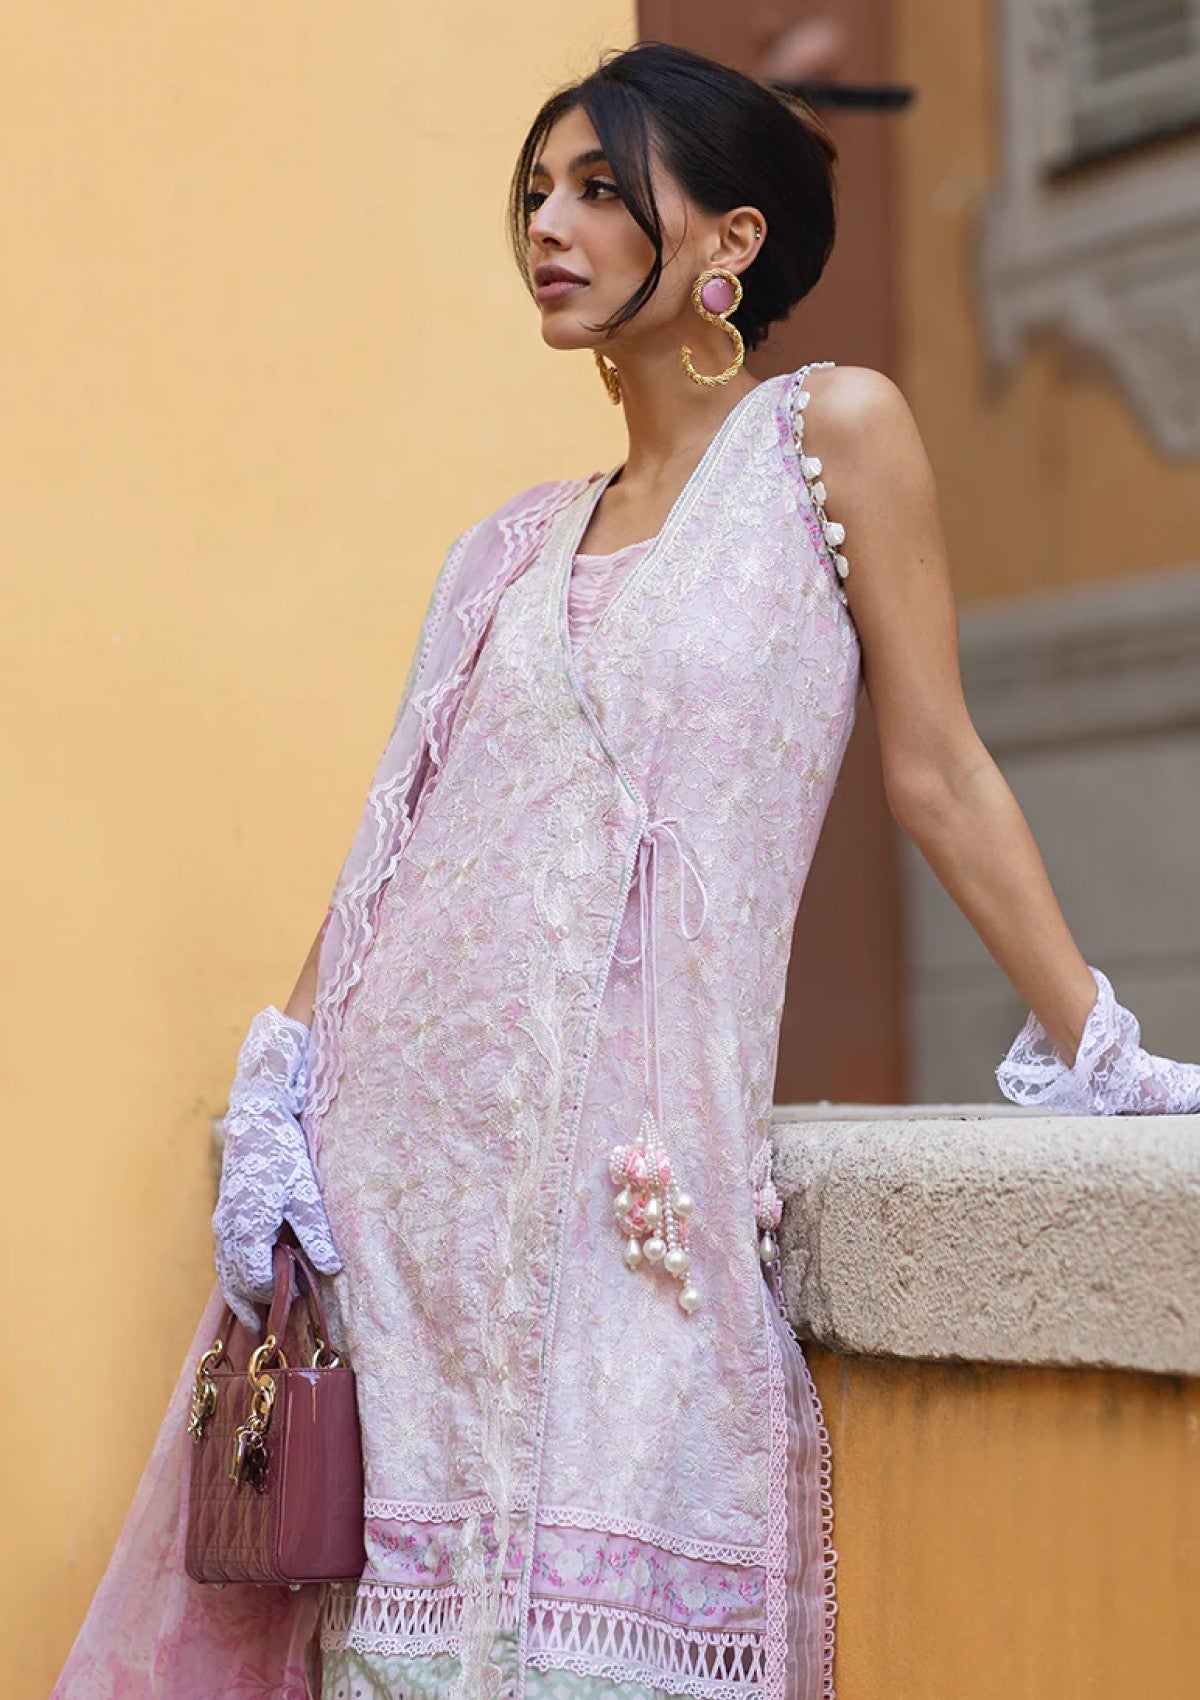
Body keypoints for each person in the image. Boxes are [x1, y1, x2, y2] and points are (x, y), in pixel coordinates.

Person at [52, 38, 1200, 1700]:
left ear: (732, 239)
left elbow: (939, 769)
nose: (549, 224)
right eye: (536, 191)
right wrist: (281, 1096)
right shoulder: (502, 552)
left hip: (643, 1200)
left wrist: (1099, 1046)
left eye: (600, 188)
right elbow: (390, 856)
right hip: (415, 1202)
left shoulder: (830, 440)